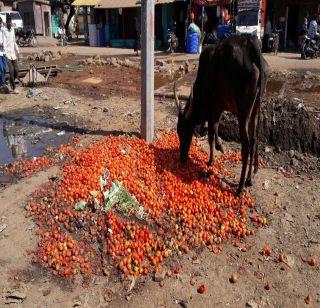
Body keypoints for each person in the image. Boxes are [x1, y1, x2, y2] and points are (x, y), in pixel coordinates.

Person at [4, 16, 19, 94]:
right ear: (6, 22)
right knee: (11, 71)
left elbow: (14, 41)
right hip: (7, 54)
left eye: (10, 22)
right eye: (8, 22)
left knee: (16, 70)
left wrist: (17, 50)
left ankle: (11, 81)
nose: (9, 23)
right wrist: (5, 53)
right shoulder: (4, 30)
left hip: (13, 53)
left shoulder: (13, 29)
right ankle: (14, 88)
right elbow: (3, 42)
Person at [0, 17, 8, 92]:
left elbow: (7, 38)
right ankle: (3, 83)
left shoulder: (3, 29)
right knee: (1, 68)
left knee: (4, 68)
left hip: (4, 52)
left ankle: (3, 81)